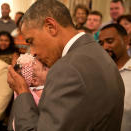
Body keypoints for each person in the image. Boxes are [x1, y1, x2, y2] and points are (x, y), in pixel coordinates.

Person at [7, 0, 125, 131]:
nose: (33, 52)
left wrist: (23, 91)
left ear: (50, 27)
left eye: (31, 41)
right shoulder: (99, 53)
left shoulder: (67, 69)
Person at [99, 24, 131, 131]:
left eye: (110, 41)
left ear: (126, 40)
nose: (104, 47)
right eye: (101, 43)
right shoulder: (97, 72)